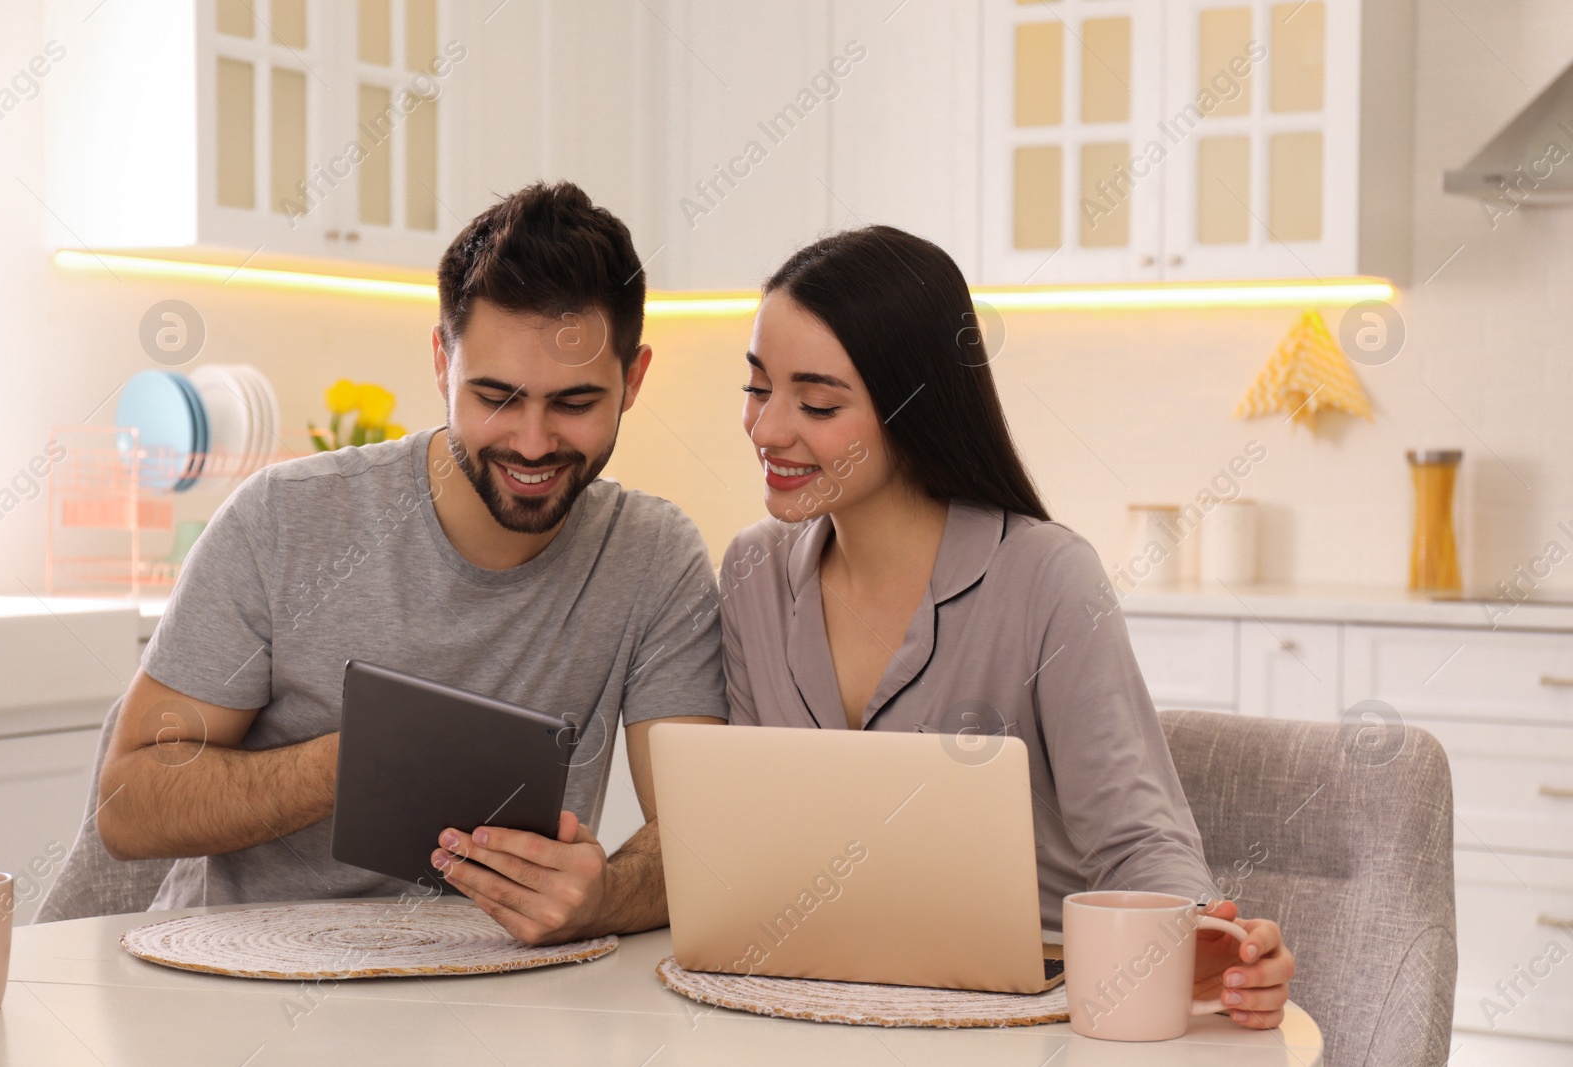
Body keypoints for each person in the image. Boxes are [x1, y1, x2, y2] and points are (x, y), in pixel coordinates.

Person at [93, 181, 728, 944]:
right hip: (250, 977)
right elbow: (127, 804)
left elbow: (699, 836)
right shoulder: (285, 518)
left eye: (574, 402)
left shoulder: (654, 559)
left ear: (634, 380)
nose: (532, 441)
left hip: (497, 992)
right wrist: (355, 763)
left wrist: (604, 898)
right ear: (440, 361)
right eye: (495, 396)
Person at [715, 226, 1296, 1028]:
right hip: (821, 999)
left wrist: (1205, 941)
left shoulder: (1046, 577)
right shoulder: (751, 571)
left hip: (1033, 1013)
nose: (768, 429)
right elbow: (751, 840)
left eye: (816, 402)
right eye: (756, 388)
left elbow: (1137, 840)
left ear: (915, 408)